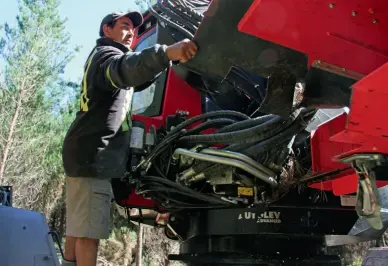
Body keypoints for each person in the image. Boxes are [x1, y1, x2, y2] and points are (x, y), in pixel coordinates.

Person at [61, 10, 198, 266]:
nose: (131, 32)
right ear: (107, 30)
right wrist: (167, 52)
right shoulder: (106, 57)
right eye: (124, 26)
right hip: (94, 159)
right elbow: (126, 70)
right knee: (89, 235)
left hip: (84, 155)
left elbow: (136, 77)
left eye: (133, 29)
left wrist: (169, 61)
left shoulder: (105, 59)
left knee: (78, 228)